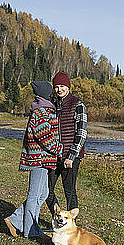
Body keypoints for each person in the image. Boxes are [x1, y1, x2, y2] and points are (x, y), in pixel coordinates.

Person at [4, 81, 63, 238]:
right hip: (39, 159)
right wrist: (59, 149)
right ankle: (30, 230)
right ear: (47, 94)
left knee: (43, 193)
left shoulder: (43, 109)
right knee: (34, 194)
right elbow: (44, 136)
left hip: (43, 159)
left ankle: (15, 220)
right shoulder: (41, 111)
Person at [45, 71, 87, 216]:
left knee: (69, 191)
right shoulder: (53, 104)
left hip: (70, 156)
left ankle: (71, 226)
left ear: (68, 87)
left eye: (62, 86)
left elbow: (81, 133)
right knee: (47, 190)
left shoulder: (77, 104)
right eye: (57, 86)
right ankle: (58, 218)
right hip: (54, 155)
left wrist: (71, 156)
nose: (59, 89)